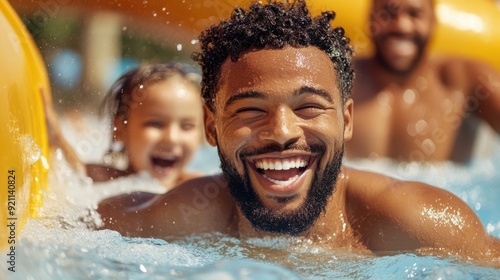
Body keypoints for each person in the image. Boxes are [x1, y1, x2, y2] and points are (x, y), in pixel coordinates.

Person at [97, 1, 500, 264]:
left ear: (346, 120)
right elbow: (79, 217)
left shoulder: (418, 225)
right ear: (210, 127)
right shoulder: (181, 217)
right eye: (251, 110)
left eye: (308, 107)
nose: (282, 132)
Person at [346, 0, 500, 163]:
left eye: (414, 14)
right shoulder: (342, 76)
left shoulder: (464, 77)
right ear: (371, 18)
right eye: (389, 13)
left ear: (433, 21)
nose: (402, 26)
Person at [43, 62, 205, 190]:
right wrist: (56, 138)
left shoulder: (197, 187)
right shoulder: (106, 179)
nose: (172, 138)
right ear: (120, 130)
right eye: (156, 124)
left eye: (187, 126)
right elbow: (71, 170)